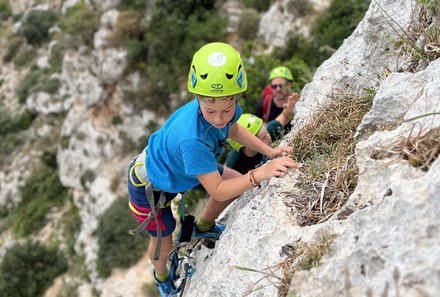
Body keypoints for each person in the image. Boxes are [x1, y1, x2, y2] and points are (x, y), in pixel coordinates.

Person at [127, 42, 300, 297]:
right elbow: (217, 191)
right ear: (197, 98)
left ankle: (204, 226)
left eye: (227, 109)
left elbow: (235, 129)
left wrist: (271, 152)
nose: (219, 117)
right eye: (210, 110)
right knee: (164, 241)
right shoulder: (192, 138)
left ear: (235, 97)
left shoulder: (222, 109)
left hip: (182, 171)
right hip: (150, 186)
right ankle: (162, 278)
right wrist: (261, 173)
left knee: (237, 183)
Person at [226, 91, 298, 174]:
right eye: (263, 137)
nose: (269, 136)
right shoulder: (234, 162)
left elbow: (285, 116)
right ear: (249, 146)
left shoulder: (264, 131)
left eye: (266, 131)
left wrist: (290, 109)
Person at [254, 66, 298, 133]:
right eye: (274, 86)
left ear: (289, 85)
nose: (278, 89)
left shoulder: (299, 103)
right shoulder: (263, 105)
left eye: (281, 85)